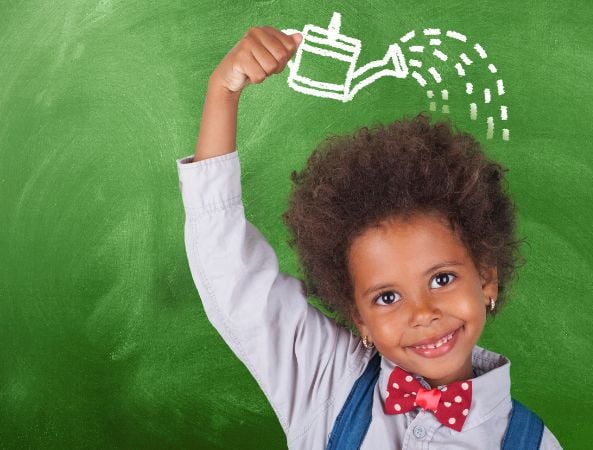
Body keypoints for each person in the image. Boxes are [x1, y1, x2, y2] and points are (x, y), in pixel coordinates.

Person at [176, 26, 562, 449]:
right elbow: (230, 270)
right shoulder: (327, 383)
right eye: (386, 298)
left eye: (442, 279)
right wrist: (223, 92)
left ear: (486, 277)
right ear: (359, 318)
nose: (422, 313)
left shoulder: (535, 443)